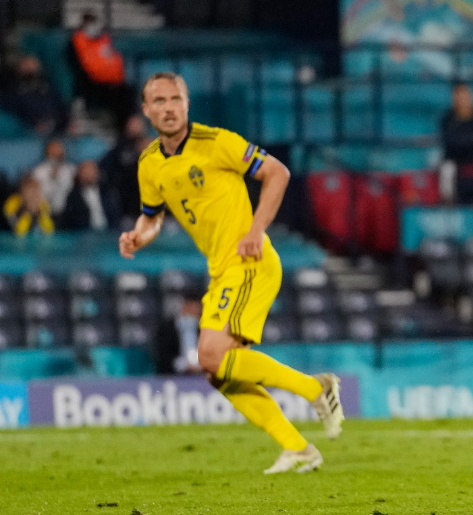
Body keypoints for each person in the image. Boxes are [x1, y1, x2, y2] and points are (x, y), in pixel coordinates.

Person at [119, 72, 344, 473]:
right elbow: (152, 217)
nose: (169, 108)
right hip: (221, 270)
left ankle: (316, 389)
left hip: (249, 262)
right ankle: (297, 447)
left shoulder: (217, 142)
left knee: (210, 355)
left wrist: (257, 230)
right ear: (146, 110)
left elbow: (278, 172)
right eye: (159, 101)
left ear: (187, 104)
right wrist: (138, 236)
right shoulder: (150, 163)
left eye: (176, 99)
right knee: (219, 372)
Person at [69, 12, 137, 130]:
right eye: (89, 24)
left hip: (113, 82)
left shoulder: (103, 40)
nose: (92, 27)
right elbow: (83, 65)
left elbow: (113, 59)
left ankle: (129, 126)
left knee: (128, 92)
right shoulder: (77, 41)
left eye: (94, 23)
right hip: (92, 84)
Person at [439, 83, 473, 203]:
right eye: (459, 96)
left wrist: (464, 142)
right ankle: (449, 204)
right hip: (456, 164)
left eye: (465, 95)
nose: (462, 100)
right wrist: (472, 141)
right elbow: (449, 145)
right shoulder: (448, 119)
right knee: (447, 169)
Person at [100, 114, 152, 224]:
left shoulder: (153, 146)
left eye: (137, 124)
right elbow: (108, 166)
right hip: (129, 208)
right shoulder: (121, 149)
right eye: (132, 124)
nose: (135, 127)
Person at [0, 54, 68, 135]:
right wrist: (31, 125)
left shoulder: (47, 87)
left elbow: (60, 109)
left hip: (54, 131)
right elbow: (11, 116)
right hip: (24, 134)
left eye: (32, 64)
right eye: (26, 64)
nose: (30, 67)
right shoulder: (11, 90)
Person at [58, 160, 119, 231]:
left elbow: (115, 213)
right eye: (86, 172)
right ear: (79, 174)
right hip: (84, 233)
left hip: (109, 231)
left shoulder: (107, 192)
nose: (89, 174)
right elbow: (71, 219)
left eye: (92, 171)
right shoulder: (73, 196)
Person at [156, 291, 203, 375]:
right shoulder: (167, 329)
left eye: (195, 308)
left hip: (201, 376)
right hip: (173, 376)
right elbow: (162, 356)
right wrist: (184, 365)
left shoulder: (204, 329)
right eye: (189, 307)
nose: (192, 311)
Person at [31, 139, 77, 216]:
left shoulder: (72, 169)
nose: (56, 152)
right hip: (46, 212)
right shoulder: (38, 171)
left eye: (59, 148)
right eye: (53, 149)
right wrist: (53, 178)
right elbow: (36, 194)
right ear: (47, 152)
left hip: (69, 213)